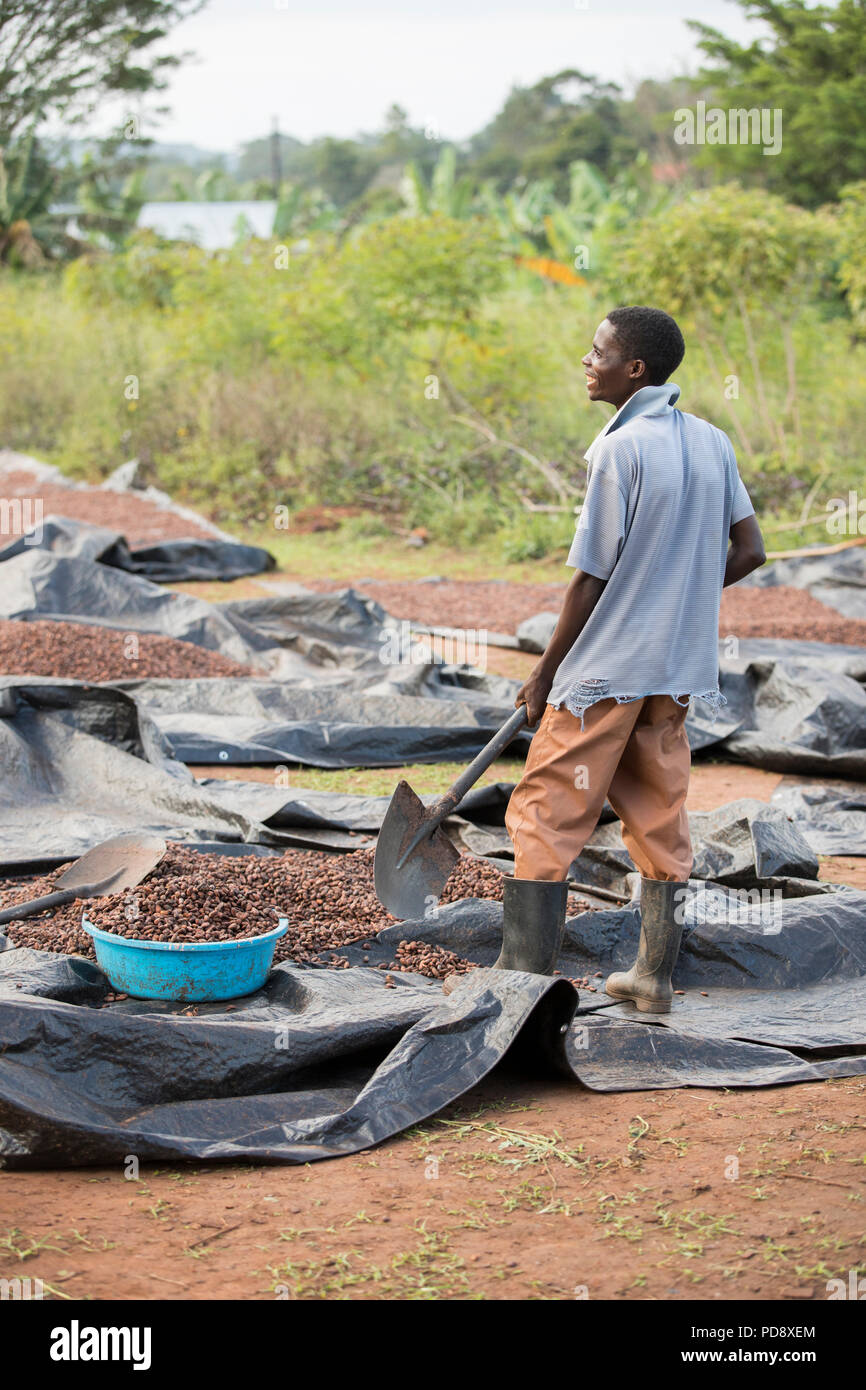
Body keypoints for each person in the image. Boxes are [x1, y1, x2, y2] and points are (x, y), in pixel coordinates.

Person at [490, 305, 766, 1012]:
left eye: (597, 351)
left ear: (633, 369)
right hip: (672, 675)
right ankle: (653, 977)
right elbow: (750, 550)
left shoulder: (620, 449)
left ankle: (522, 990)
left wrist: (545, 670)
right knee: (659, 819)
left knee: (545, 818)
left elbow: (591, 576)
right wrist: (681, 597)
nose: (587, 360)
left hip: (603, 676)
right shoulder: (713, 441)